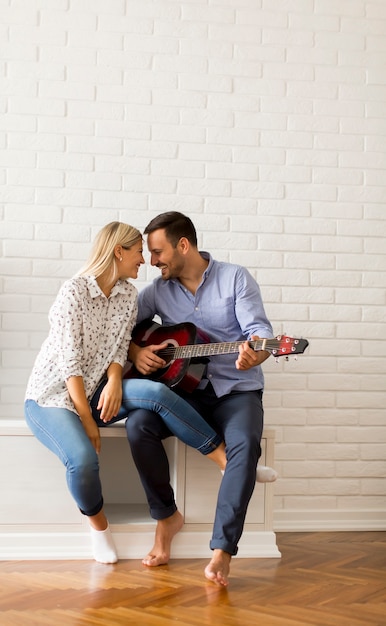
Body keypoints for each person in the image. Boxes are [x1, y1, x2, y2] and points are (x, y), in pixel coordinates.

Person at [24, 221, 246, 566]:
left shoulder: (128, 294)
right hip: (54, 397)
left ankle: (225, 462)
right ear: (118, 251)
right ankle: (99, 529)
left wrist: (115, 382)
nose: (144, 260)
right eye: (139, 251)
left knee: (155, 392)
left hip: (98, 391)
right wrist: (88, 420)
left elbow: (118, 348)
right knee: (83, 461)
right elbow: (70, 365)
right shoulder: (74, 292)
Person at [126, 211, 275, 586]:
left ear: (183, 245)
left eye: (158, 252)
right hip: (184, 394)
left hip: (235, 391)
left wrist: (256, 352)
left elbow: (259, 333)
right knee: (139, 424)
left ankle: (222, 551)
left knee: (244, 444)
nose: (153, 261)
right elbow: (121, 324)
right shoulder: (158, 291)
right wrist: (133, 353)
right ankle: (165, 520)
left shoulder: (235, 277)